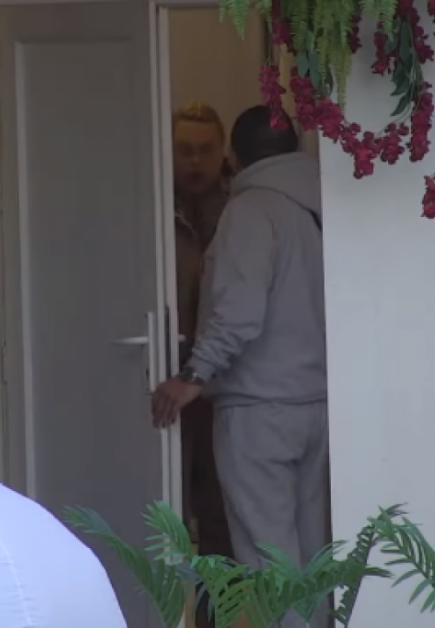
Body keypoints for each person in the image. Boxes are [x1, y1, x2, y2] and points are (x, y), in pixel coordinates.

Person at [152, 105, 328, 628]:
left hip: (258, 410)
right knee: (312, 560)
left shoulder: (251, 211)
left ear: (232, 155)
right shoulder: (321, 208)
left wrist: (193, 377)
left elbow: (239, 311)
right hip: (316, 404)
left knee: (269, 560)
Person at [170, 102, 235, 628]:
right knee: (165, 503)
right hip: (161, 375)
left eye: (205, 150)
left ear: (223, 152)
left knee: (218, 514)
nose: (194, 161)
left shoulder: (242, 210)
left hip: (220, 383)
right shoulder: (149, 204)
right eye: (184, 150)